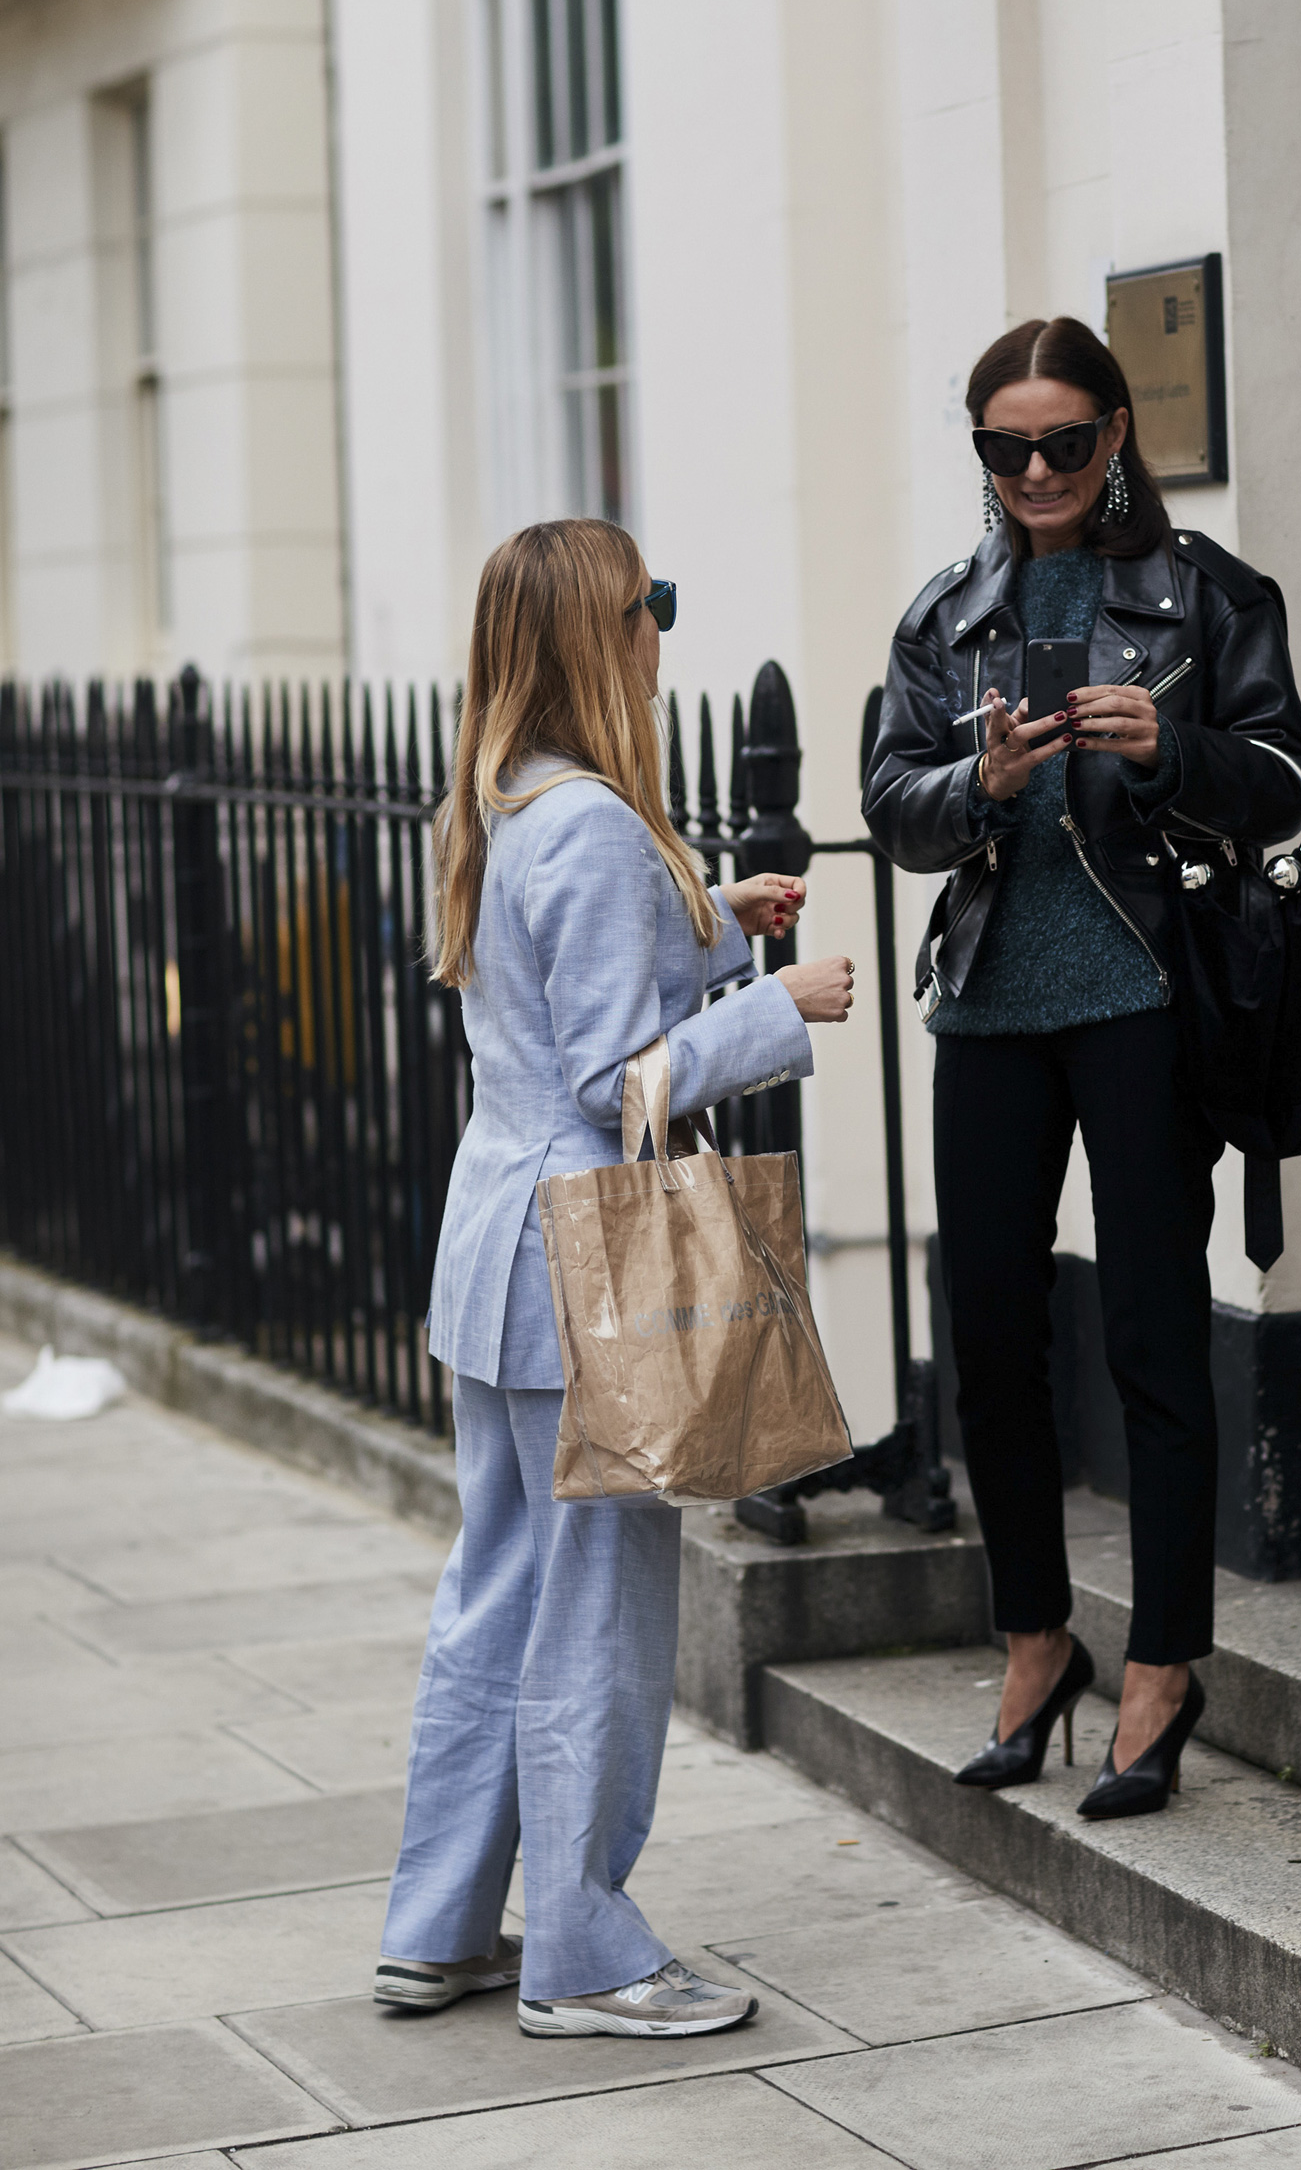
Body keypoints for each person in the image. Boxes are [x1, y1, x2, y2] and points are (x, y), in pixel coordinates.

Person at [375, 518, 854, 2036]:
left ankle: (437, 1928)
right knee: (595, 1612)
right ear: (601, 634)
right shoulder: (587, 822)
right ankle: (585, 1956)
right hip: (580, 1265)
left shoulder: (502, 799)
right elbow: (608, 1082)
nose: (663, 627)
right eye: (652, 603)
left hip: (503, 1253)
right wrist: (775, 1007)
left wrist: (712, 926)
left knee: (499, 1593)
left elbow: (557, 1000)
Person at [863, 317, 1301, 1818]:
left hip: (1142, 997)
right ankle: (1036, 1641)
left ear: (1117, 435)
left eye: (1064, 440)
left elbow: (1290, 786)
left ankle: (1164, 1666)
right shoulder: (946, 615)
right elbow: (893, 804)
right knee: (993, 1339)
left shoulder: (1212, 597)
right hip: (991, 1004)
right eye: (1007, 446)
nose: (1038, 470)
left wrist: (1168, 751)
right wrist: (980, 784)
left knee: (1150, 1333)